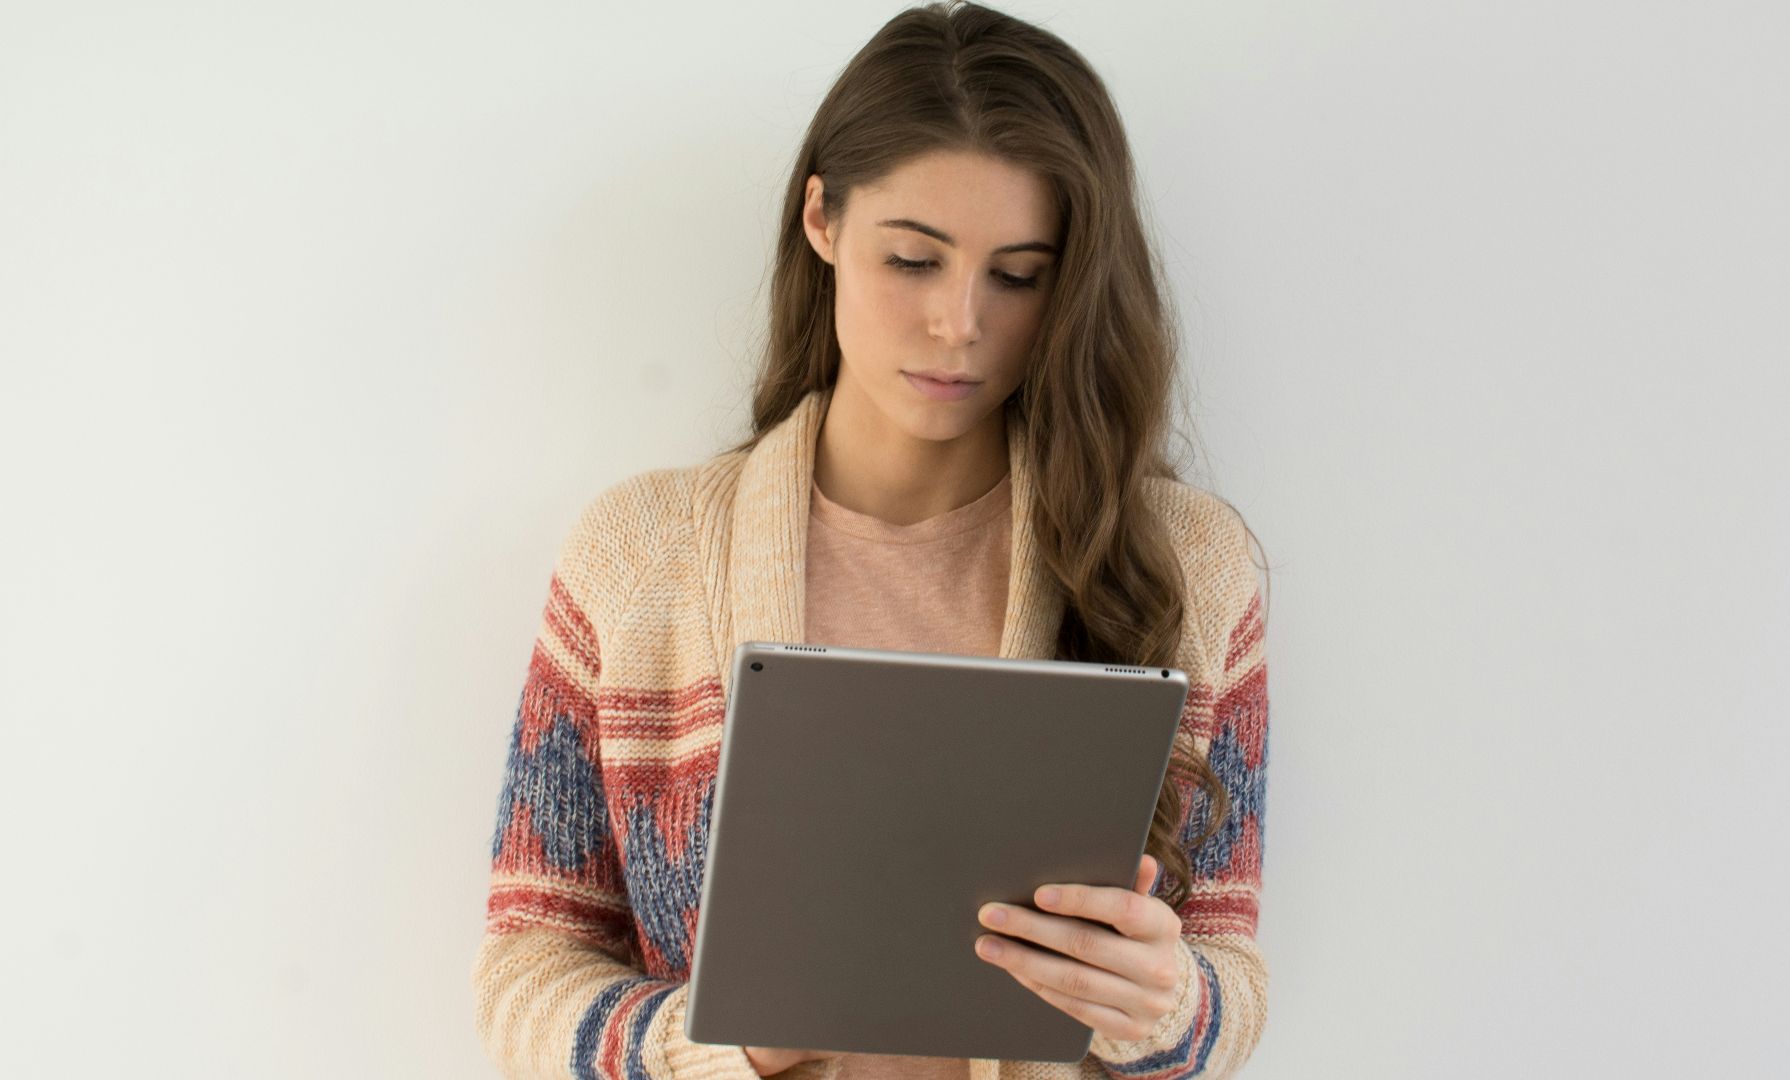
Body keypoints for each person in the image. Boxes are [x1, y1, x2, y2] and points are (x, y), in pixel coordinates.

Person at [469, 2, 1273, 1077]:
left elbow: (1231, 974)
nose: (959, 322)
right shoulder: (638, 556)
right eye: (912, 259)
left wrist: (1167, 1005)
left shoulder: (1187, 563)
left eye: (1019, 275)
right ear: (823, 223)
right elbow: (526, 971)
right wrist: (731, 1045)